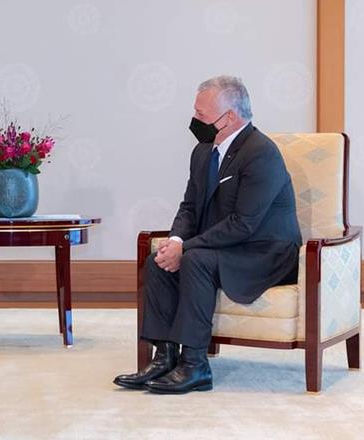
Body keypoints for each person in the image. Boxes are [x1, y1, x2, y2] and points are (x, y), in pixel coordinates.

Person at [114, 76, 301, 394]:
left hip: (265, 252)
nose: (194, 120)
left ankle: (195, 364)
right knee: (158, 261)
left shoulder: (261, 153)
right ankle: (165, 358)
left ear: (230, 117)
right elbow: (189, 206)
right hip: (225, 247)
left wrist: (186, 249)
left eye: (201, 115)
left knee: (195, 261)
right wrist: (175, 241)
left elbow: (243, 223)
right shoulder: (203, 152)